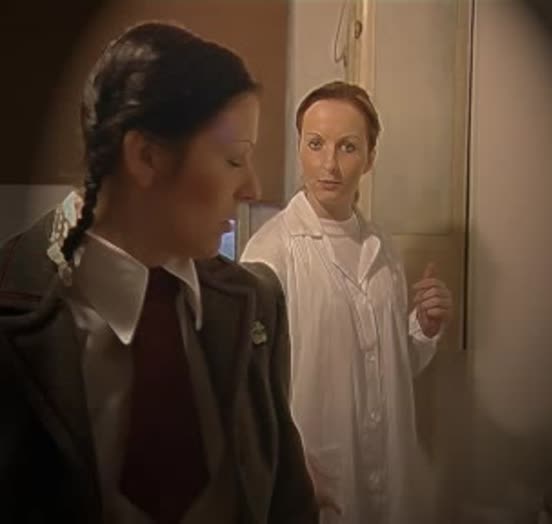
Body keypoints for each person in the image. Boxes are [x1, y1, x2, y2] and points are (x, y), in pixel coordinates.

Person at [0, 21, 317, 524]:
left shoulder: (254, 303)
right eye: (234, 159)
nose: (254, 188)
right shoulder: (13, 314)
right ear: (146, 156)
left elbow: (288, 504)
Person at [240, 81, 453, 523]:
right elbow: (247, 389)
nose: (329, 165)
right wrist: (287, 467)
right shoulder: (270, 254)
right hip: (316, 485)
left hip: (391, 482)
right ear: (299, 147)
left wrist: (424, 327)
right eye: (316, 144)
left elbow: (387, 368)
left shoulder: (383, 249)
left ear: (370, 158)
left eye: (348, 147)